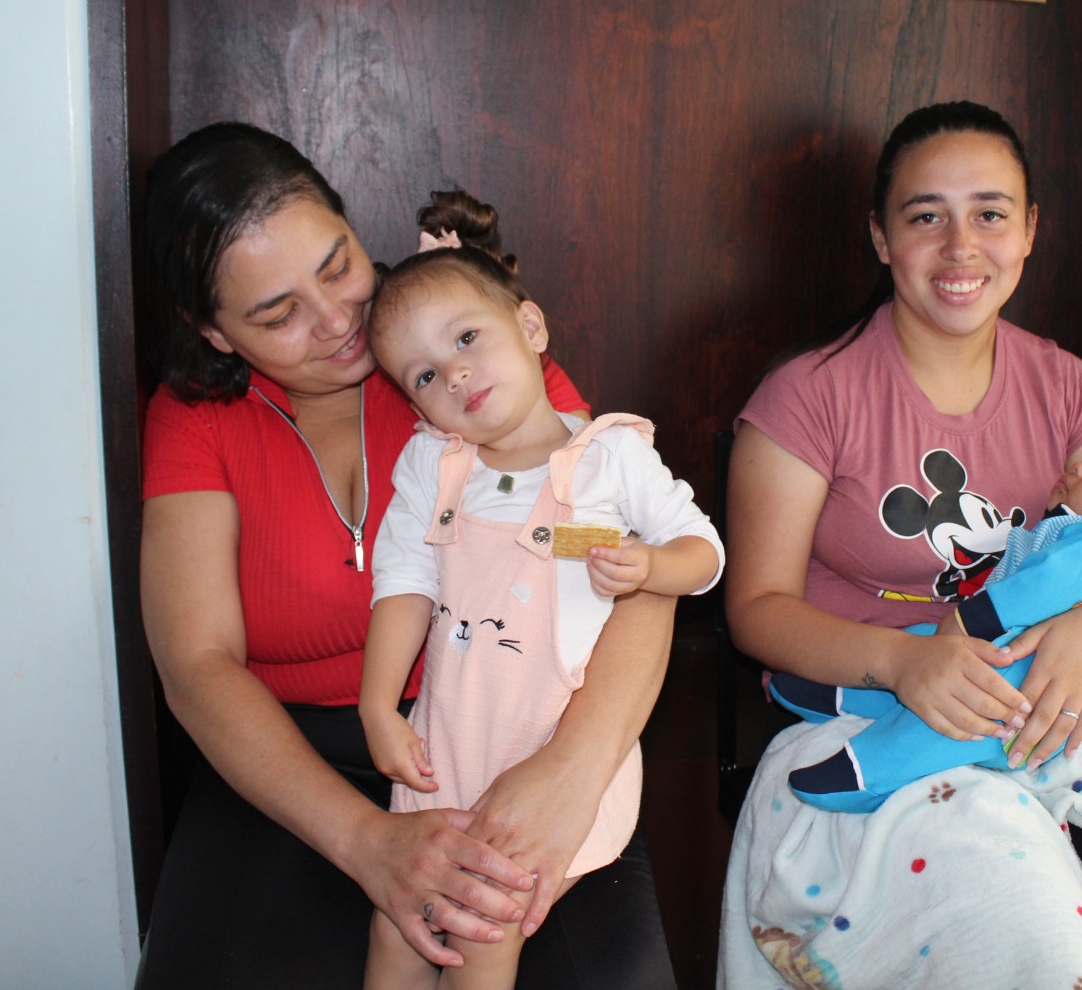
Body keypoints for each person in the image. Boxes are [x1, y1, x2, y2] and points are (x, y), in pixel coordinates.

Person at [719, 102, 1082, 989]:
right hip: (883, 704)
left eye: (989, 213)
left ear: (1029, 231)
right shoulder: (808, 398)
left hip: (1059, 690)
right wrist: (903, 663)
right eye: (925, 216)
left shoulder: (1068, 390)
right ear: (881, 237)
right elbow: (756, 609)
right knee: (1031, 937)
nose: (960, 247)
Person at [135, 123, 680, 989]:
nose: (336, 323)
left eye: (337, 266)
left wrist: (572, 770)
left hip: (513, 733)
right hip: (290, 766)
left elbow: (627, 563)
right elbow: (197, 665)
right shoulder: (197, 419)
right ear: (215, 333)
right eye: (278, 314)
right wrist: (367, 841)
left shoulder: (459, 353)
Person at [357, 206, 724, 988]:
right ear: (414, 405)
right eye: (425, 375)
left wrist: (650, 566)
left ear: (530, 327)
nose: (455, 375)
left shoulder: (610, 460)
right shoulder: (432, 465)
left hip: (550, 750)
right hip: (449, 744)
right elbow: (404, 582)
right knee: (398, 926)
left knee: (482, 932)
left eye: (466, 339)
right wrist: (378, 704)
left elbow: (705, 555)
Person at [772, 443, 1082, 812]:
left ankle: (864, 774)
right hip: (1008, 649)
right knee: (921, 649)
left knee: (951, 717)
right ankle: (840, 693)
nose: (1080, 466)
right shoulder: (1077, 533)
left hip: (1026, 679)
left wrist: (970, 621)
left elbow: (1038, 590)